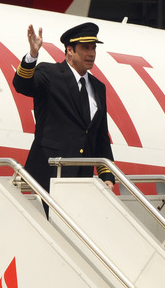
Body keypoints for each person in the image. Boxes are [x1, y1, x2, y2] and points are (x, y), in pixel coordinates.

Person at [13, 22, 116, 213]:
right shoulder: (50, 73)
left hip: (81, 181)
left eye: (93, 48)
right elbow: (22, 85)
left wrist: (107, 175)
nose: (91, 53)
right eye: (85, 48)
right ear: (69, 50)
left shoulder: (98, 87)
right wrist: (32, 56)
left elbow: (100, 136)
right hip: (47, 177)